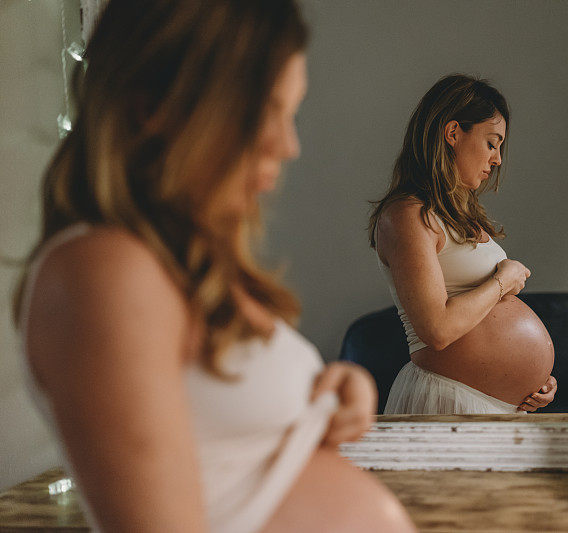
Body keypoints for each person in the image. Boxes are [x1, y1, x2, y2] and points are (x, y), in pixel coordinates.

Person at [12, 1, 415, 531]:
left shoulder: (175, 267)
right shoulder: (103, 273)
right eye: (264, 111)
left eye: (290, 113)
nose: (288, 145)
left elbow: (225, 449)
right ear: (157, 104)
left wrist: (327, 394)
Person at [368, 74, 558, 415]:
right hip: (447, 400)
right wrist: (503, 281)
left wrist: (536, 381)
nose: (498, 159)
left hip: (497, 407)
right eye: (491, 143)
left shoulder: (459, 214)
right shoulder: (406, 215)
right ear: (453, 132)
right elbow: (437, 330)